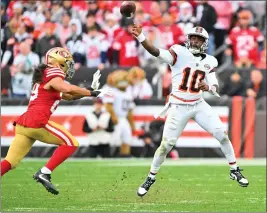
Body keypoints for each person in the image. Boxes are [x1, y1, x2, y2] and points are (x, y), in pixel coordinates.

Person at [131, 25, 249, 197]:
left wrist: (208, 86)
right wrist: (141, 36)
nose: (195, 40)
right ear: (188, 39)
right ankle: (150, 177)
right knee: (166, 146)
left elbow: (214, 84)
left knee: (222, 134)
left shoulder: (210, 60)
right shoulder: (178, 52)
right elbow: (155, 51)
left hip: (198, 104)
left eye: (199, 39)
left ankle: (234, 169)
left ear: (204, 43)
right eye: (193, 37)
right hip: (178, 106)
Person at [1, 47, 110, 195]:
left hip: (24, 123)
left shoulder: (45, 77)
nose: (69, 66)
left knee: (10, 161)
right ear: (58, 62)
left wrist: (89, 90)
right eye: (67, 63)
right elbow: (66, 87)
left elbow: (69, 95)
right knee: (71, 143)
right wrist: (91, 93)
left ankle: (43, 172)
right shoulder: (53, 72)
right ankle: (44, 172)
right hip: (37, 121)